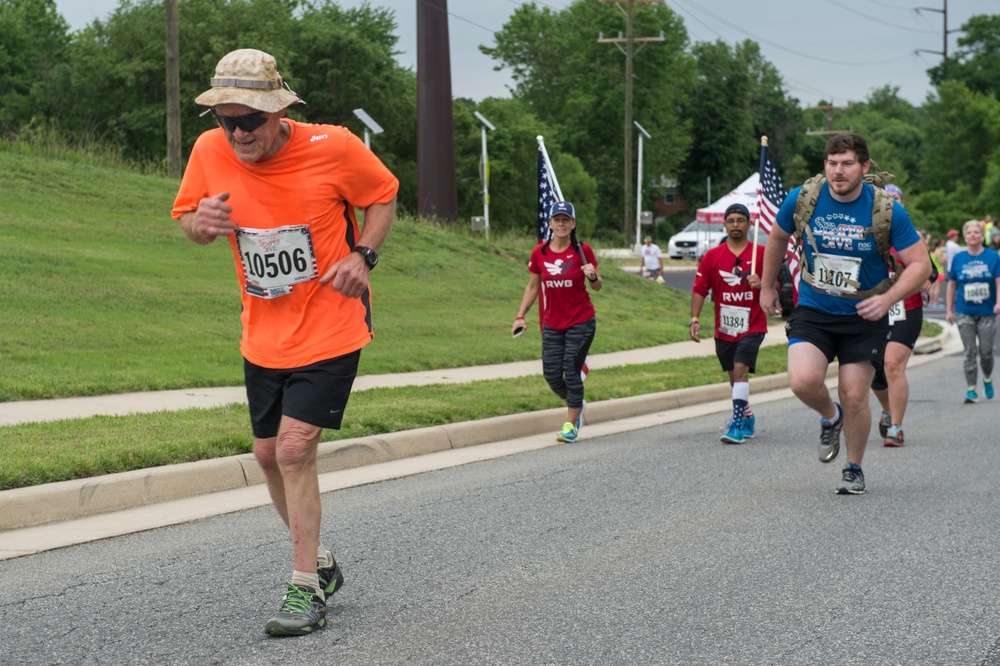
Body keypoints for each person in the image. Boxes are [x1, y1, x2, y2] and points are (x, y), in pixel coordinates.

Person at [171, 49, 399, 636]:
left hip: (331, 325)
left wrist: (363, 255)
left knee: (295, 450)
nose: (240, 132)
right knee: (267, 454)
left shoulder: (335, 146)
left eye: (251, 119)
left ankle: (303, 591)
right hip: (263, 334)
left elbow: (383, 194)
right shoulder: (208, 152)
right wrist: (202, 226)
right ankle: (320, 565)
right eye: (228, 120)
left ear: (279, 111)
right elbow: (186, 218)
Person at [759, 133, 929, 495]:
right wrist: (766, 285)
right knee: (803, 381)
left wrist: (888, 299)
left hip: (865, 316)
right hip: (815, 307)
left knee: (855, 396)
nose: (838, 171)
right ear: (825, 165)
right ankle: (829, 416)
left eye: (847, 164)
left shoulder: (886, 209)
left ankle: (854, 468)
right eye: (832, 163)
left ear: (864, 167)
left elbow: (920, 265)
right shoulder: (804, 198)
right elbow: (776, 238)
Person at [512, 201, 602, 443]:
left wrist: (592, 275)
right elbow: (533, 286)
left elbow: (597, 285)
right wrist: (520, 315)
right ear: (550, 223)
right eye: (557, 219)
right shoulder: (540, 253)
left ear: (573, 224)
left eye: (566, 220)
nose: (561, 224)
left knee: (571, 371)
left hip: (581, 320)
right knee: (551, 374)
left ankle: (570, 424)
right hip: (552, 322)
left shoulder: (583, 250)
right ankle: (577, 403)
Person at [689, 203, 767, 445]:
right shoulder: (712, 256)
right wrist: (695, 318)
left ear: (749, 224)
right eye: (731, 220)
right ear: (724, 224)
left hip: (752, 324)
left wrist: (762, 283)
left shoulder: (761, 254)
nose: (735, 224)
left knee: (741, 368)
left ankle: (736, 424)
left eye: (740, 220)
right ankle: (748, 415)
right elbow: (700, 289)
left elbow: (775, 287)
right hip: (724, 327)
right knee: (734, 375)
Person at [870, 185, 935, 447]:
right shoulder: (869, 233)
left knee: (893, 364)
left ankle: (896, 426)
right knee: (875, 370)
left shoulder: (910, 236)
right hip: (873, 310)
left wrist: (924, 281)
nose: (890, 205)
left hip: (906, 309)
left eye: (894, 200)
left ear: (902, 203)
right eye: (886, 201)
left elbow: (928, 271)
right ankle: (887, 409)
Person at [945, 219, 1000, 403]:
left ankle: (987, 378)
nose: (973, 235)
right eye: (969, 232)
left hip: (987, 311)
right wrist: (949, 310)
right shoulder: (959, 258)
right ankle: (971, 389)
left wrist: (998, 303)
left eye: (977, 232)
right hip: (964, 310)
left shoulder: (993, 257)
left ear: (981, 236)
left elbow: (999, 283)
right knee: (969, 351)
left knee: (985, 352)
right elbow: (951, 284)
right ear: (965, 236)